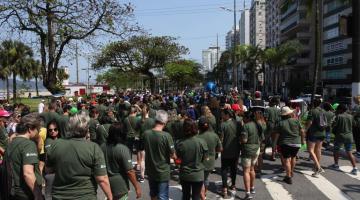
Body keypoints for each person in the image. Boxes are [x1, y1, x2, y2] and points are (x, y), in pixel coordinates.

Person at [46, 112, 113, 200]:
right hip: (86, 196)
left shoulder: (55, 145)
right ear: (86, 129)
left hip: (60, 196)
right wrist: (110, 197)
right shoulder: (93, 148)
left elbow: (49, 170)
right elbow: (102, 179)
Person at [4, 112, 43, 200]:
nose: (39, 132)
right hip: (26, 193)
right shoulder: (28, 144)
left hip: (13, 192)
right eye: (38, 129)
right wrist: (38, 195)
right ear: (30, 129)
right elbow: (28, 173)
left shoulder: (12, 142)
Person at [101, 122, 142, 199]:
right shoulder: (122, 149)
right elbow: (130, 171)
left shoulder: (102, 146)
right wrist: (137, 187)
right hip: (120, 186)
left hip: (106, 184)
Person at [143, 110, 176, 200]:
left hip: (150, 169)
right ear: (164, 122)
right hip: (163, 171)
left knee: (153, 194)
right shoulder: (166, 136)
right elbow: (173, 155)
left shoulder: (146, 134)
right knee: (163, 196)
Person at [176, 119, 208, 200]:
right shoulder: (201, 142)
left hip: (185, 174)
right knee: (196, 196)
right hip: (198, 173)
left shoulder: (180, 143)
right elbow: (205, 158)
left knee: (185, 196)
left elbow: (178, 160)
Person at [197, 117, 222, 200]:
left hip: (199, 161)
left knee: (200, 179)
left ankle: (202, 195)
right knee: (206, 178)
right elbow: (220, 149)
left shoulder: (197, 137)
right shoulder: (214, 135)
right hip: (210, 161)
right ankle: (205, 193)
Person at [277, 106, 304, 184]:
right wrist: (302, 141)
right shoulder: (296, 121)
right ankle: (291, 172)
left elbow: (277, 135)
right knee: (293, 157)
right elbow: (302, 131)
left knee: (287, 160)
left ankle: (288, 176)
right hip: (296, 143)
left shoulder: (281, 123)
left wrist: (275, 143)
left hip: (285, 143)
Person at [240, 111, 263, 200]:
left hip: (247, 150)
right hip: (256, 149)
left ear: (247, 118)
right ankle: (252, 187)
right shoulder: (257, 125)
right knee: (252, 169)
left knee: (246, 171)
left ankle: (248, 193)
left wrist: (240, 139)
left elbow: (244, 140)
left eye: (244, 117)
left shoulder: (246, 126)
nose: (243, 119)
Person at [331, 104, 358, 175]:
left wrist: (334, 131)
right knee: (349, 152)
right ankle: (355, 168)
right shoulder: (350, 116)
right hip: (349, 136)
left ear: (340, 110)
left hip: (340, 137)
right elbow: (354, 124)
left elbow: (334, 126)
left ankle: (336, 164)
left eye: (338, 109)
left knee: (336, 150)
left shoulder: (338, 116)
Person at [219, 109, 240, 198]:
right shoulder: (238, 123)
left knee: (224, 169)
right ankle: (233, 185)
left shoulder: (223, 125)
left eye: (223, 115)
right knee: (233, 168)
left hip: (225, 150)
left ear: (227, 115)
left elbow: (221, 138)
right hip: (236, 150)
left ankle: (224, 189)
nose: (222, 116)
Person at [306, 98, 326, 177]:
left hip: (314, 133)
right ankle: (316, 166)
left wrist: (305, 130)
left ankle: (318, 167)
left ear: (313, 103)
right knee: (318, 150)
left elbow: (310, 122)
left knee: (310, 150)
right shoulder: (323, 111)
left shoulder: (312, 111)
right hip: (322, 133)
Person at [138, 104, 155, 182]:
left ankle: (142, 176)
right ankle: (152, 174)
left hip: (142, 140)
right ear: (148, 111)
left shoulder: (140, 120)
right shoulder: (152, 121)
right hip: (151, 140)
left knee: (142, 159)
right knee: (151, 158)